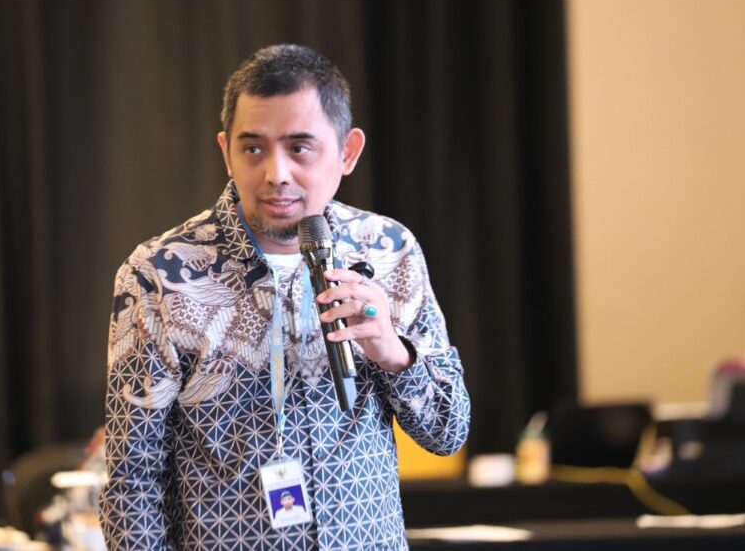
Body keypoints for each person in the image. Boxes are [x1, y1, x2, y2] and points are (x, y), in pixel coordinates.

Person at [101, 44, 470, 551]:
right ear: (226, 152)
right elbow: (132, 480)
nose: (276, 173)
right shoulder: (161, 275)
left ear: (347, 152)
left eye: (299, 148)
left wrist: (392, 351)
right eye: (253, 149)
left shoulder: (388, 250)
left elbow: (448, 431)